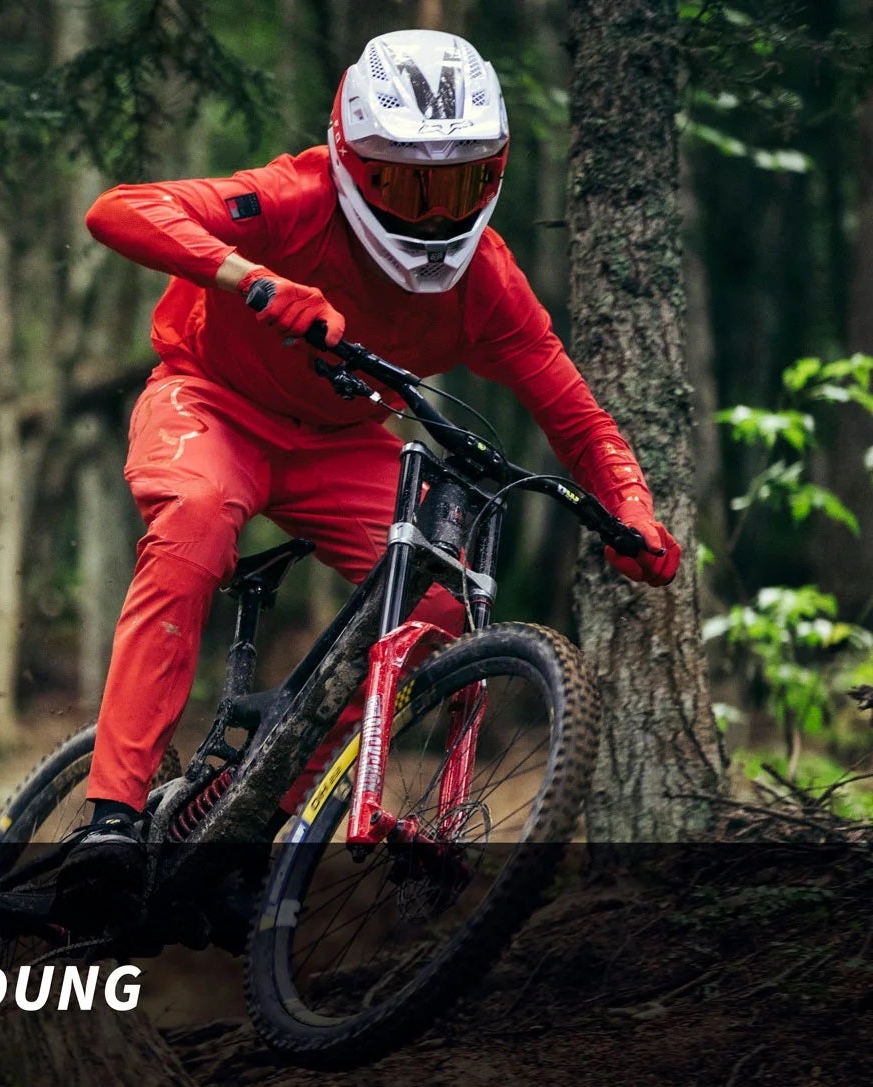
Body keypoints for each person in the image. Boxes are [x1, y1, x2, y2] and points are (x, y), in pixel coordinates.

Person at [58, 29, 681, 910]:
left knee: (436, 608)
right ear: (352, 159)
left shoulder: (488, 283)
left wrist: (633, 507)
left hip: (343, 442)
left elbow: (574, 412)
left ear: (495, 174)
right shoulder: (294, 196)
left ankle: (248, 814)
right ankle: (113, 816)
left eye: (459, 184)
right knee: (195, 519)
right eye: (405, 184)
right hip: (212, 399)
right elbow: (119, 209)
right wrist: (254, 280)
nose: (432, 215)